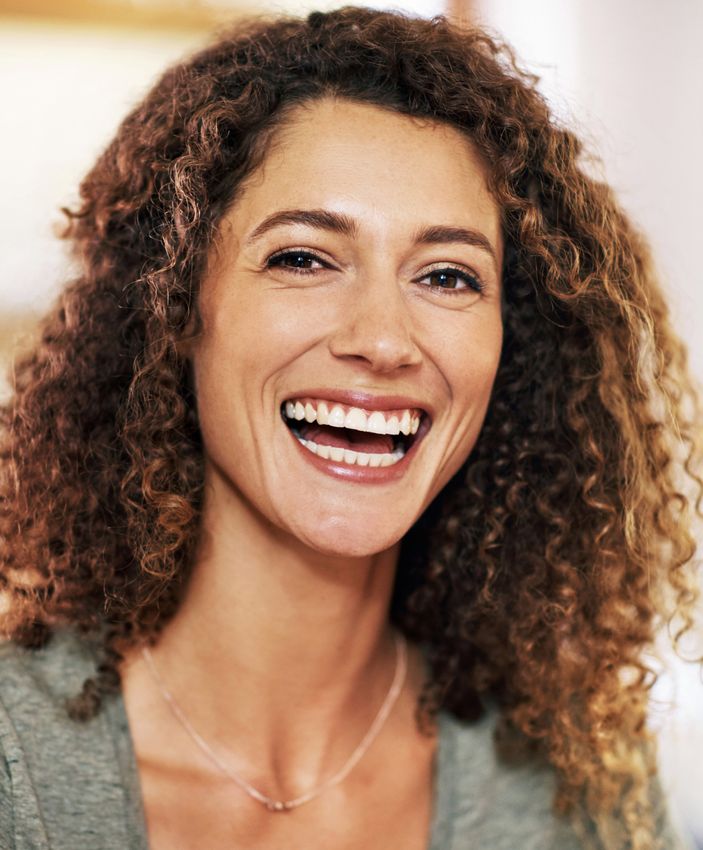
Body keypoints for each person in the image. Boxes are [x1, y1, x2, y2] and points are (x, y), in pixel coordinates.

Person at [0, 7, 699, 849]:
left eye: (446, 276)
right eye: (303, 258)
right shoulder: (17, 765)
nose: (380, 340)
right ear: (174, 306)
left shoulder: (571, 788)